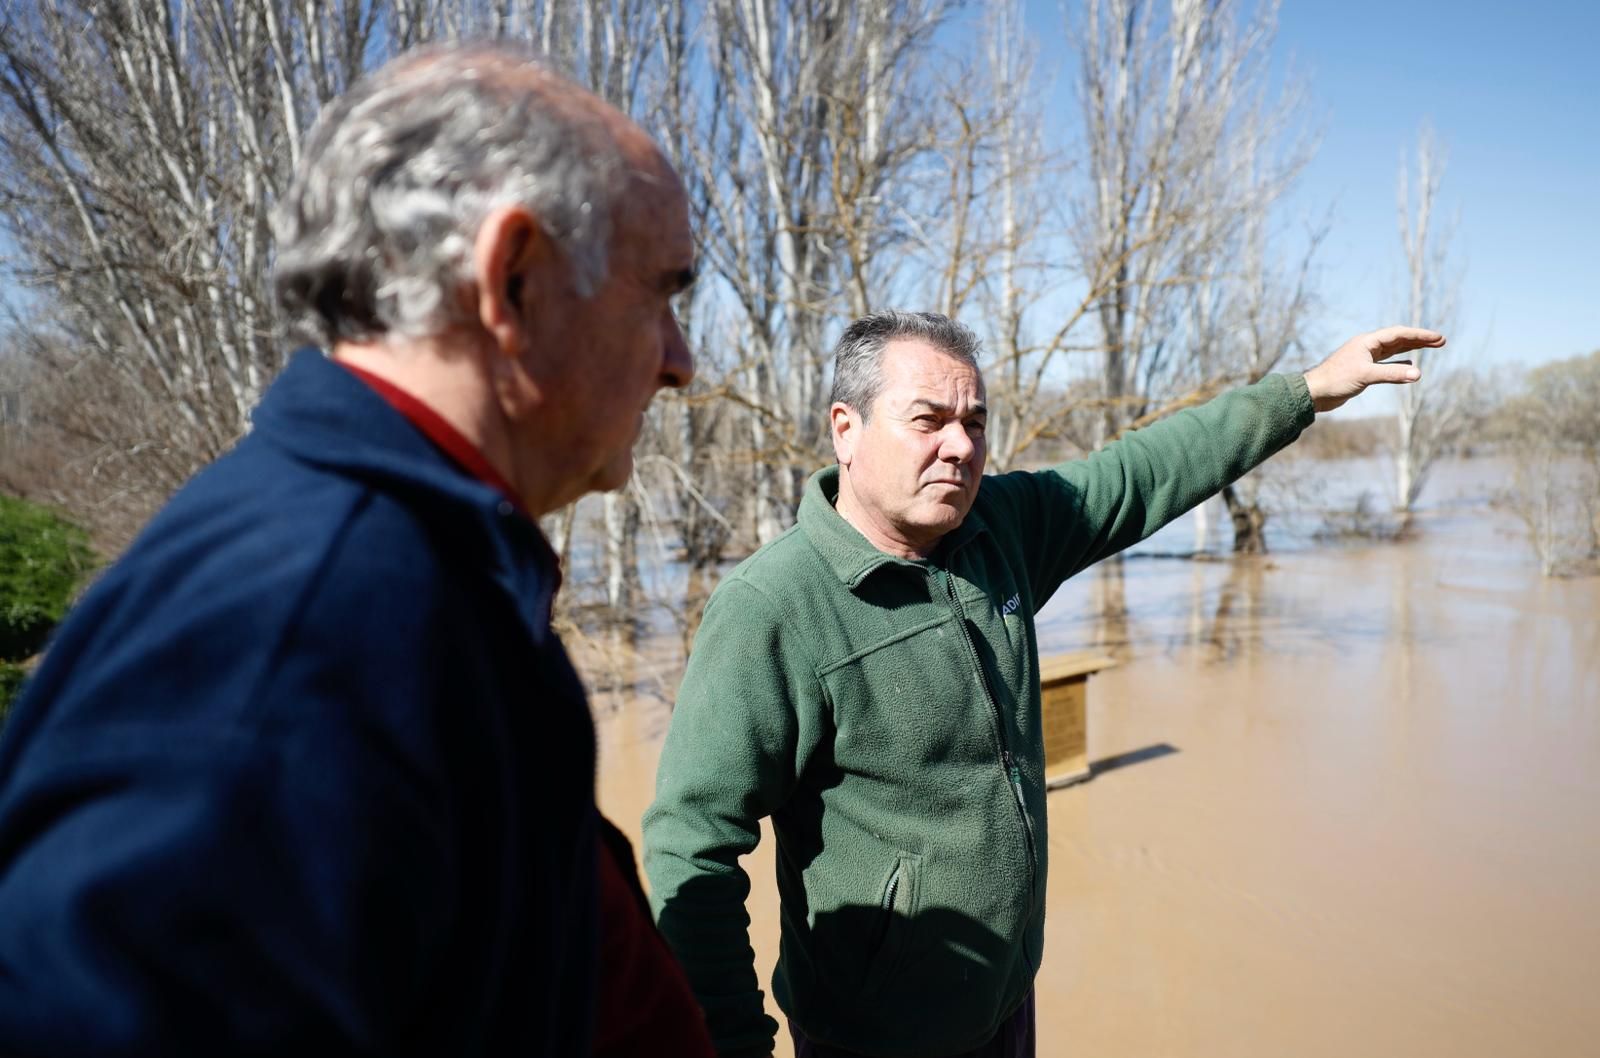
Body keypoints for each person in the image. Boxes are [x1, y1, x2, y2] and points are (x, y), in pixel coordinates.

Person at [0, 42, 713, 1057]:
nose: (681, 362)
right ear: (511, 281)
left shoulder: (428, 568)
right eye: (662, 293)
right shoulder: (300, 631)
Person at [642, 310, 1445, 1058]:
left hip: (1004, 1003)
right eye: (928, 420)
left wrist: (1305, 392)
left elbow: (1144, 471)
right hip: (875, 1037)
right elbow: (691, 846)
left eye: (975, 422)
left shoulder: (1000, 528)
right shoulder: (772, 610)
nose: (960, 446)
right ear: (845, 431)